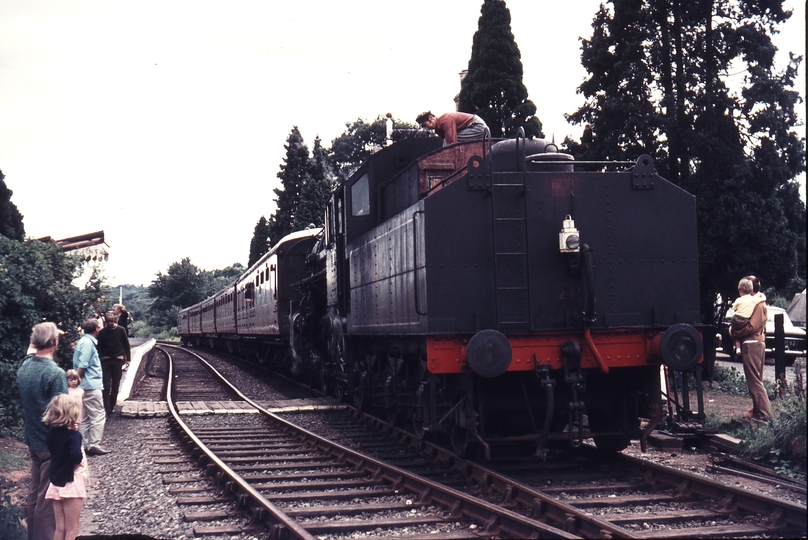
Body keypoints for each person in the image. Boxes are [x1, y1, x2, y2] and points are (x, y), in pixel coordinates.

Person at [17, 322, 69, 540]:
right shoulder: (55, 374)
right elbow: (63, 416)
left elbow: (32, 349)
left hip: (33, 439)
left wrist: (47, 334)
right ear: (55, 343)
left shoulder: (25, 365)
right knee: (48, 500)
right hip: (51, 444)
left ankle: (31, 535)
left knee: (34, 493)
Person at [42, 394, 88, 540]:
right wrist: (79, 462)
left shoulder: (51, 434)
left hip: (56, 482)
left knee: (60, 528)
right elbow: (75, 455)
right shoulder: (74, 436)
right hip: (71, 483)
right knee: (72, 529)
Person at [730, 275, 772, 422]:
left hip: (752, 343)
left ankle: (765, 414)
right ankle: (759, 412)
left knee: (754, 381)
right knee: (756, 379)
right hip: (755, 343)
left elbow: (752, 327)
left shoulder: (759, 305)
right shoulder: (756, 304)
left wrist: (735, 333)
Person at [72, 319, 109, 455]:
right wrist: (77, 380)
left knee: (86, 417)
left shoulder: (83, 342)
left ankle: (84, 445)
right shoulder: (88, 343)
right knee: (98, 415)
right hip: (91, 385)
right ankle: (94, 444)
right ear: (96, 329)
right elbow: (83, 364)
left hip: (86, 385)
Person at [97, 311, 131, 418]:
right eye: (108, 321)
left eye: (112, 321)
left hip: (118, 360)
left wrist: (128, 359)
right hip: (106, 361)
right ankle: (106, 410)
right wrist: (101, 357)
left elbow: (126, 345)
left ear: (115, 320)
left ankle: (112, 405)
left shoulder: (121, 330)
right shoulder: (102, 332)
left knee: (116, 385)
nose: (110, 323)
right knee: (106, 386)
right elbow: (99, 347)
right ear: (106, 322)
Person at [416, 111, 489, 145]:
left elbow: (452, 143)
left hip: (478, 126)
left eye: (426, 125)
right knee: (446, 141)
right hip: (471, 128)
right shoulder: (439, 129)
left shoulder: (445, 120)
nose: (427, 129)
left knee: (448, 141)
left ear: (430, 118)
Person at [730, 278, 761, 355]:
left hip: (737, 319)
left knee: (734, 332)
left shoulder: (738, 300)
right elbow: (761, 299)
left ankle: (737, 347)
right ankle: (740, 346)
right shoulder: (754, 300)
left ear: (740, 290)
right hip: (746, 320)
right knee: (741, 332)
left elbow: (734, 308)